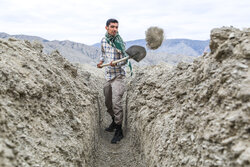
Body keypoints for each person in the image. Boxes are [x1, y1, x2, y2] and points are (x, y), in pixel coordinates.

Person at [97, 18, 127, 144]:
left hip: (118, 76)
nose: (115, 29)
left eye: (116, 27)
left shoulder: (120, 43)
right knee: (108, 102)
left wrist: (117, 64)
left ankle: (119, 130)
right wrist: (101, 61)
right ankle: (115, 121)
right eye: (112, 27)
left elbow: (125, 60)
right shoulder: (103, 40)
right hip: (108, 76)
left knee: (116, 102)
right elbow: (103, 54)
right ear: (106, 28)